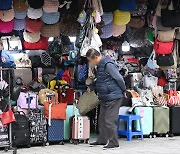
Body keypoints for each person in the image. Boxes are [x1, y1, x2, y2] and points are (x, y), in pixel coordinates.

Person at [86, 49, 126, 149]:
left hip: (114, 96)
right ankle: (102, 140)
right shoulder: (100, 66)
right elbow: (101, 80)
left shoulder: (108, 64)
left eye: (90, 60)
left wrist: (124, 90)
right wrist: (91, 87)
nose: (90, 63)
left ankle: (114, 142)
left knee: (109, 120)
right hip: (105, 96)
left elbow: (119, 78)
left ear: (96, 57)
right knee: (102, 120)